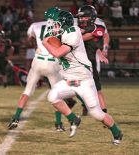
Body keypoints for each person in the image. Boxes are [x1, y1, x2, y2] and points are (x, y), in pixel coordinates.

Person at [42, 9, 123, 145]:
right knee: (52, 96)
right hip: (69, 80)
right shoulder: (64, 32)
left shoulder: (73, 34)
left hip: (83, 80)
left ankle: (117, 132)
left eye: (56, 24)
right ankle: (73, 119)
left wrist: (45, 42)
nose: (53, 27)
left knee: (96, 114)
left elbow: (57, 53)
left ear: (63, 24)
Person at [8, 7, 77, 132]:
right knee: (57, 95)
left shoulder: (36, 25)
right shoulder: (61, 26)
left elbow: (29, 41)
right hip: (53, 63)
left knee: (27, 92)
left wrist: (38, 44)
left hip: (38, 61)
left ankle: (16, 118)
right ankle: (58, 124)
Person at [76, 5, 109, 116]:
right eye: (80, 17)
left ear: (92, 17)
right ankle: (86, 104)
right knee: (76, 89)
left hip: (89, 64)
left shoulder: (98, 27)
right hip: (76, 64)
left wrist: (103, 51)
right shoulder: (75, 26)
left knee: (96, 89)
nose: (81, 19)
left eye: (84, 17)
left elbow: (99, 36)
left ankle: (104, 114)